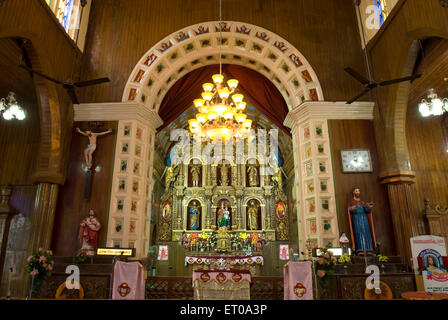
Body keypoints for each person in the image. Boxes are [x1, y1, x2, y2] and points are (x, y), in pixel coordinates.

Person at [348, 188, 375, 255]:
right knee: (358, 232)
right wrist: (352, 208)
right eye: (356, 191)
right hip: (357, 218)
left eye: (359, 191)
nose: (358, 192)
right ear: (353, 192)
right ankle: (360, 249)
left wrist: (369, 207)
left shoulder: (362, 202)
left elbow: (367, 210)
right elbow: (349, 209)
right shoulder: (351, 201)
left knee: (366, 232)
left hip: (364, 218)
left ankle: (368, 249)